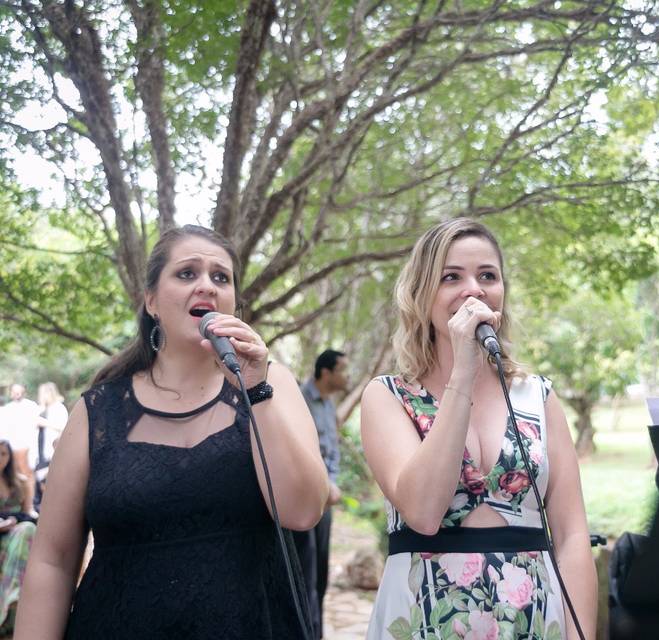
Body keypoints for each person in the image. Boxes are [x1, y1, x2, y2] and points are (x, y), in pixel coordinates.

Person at [14, 225, 329, 639]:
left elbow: (303, 512)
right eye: (187, 274)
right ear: (151, 301)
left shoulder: (273, 384)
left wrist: (256, 391)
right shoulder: (97, 412)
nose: (207, 286)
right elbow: (51, 561)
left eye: (221, 277)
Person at [360, 218, 597, 639]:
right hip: (425, 615)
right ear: (421, 294)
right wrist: (463, 372)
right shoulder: (388, 396)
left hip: (532, 617)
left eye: (487, 275)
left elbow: (572, 534)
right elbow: (423, 512)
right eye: (451, 277)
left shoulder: (538, 396)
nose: (473, 289)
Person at [293, 349, 348, 638]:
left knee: (321, 576)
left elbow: (333, 452)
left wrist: (333, 483)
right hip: (303, 500)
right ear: (325, 373)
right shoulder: (298, 400)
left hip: (327, 501)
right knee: (305, 573)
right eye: (342, 369)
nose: (347, 376)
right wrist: (324, 485)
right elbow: (298, 452)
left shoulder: (328, 405)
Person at [0, 440, 37, 636]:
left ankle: (13, 597)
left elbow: (29, 511)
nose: (0, 459)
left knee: (28, 529)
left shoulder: (20, 482)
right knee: (26, 532)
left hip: (17, 533)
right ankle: (12, 599)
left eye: (4, 454)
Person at [0, 385, 38, 513]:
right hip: (10, 444)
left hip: (24, 445)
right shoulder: (7, 409)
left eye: (19, 391)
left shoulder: (30, 406)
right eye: (14, 392)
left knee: (25, 476)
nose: (17, 394)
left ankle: (30, 505)